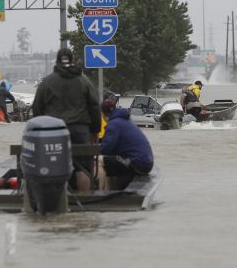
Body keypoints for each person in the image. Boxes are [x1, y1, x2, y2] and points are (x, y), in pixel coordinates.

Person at [32, 48, 101, 191]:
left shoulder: (47, 82)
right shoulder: (84, 81)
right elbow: (94, 107)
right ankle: (85, 200)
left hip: (53, 132)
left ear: (57, 61)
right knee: (83, 168)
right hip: (80, 131)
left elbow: (37, 107)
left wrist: (39, 131)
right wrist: (96, 131)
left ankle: (56, 199)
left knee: (52, 163)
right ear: (73, 61)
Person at [98, 101, 154, 190]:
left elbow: (105, 149)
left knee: (99, 160)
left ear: (102, 114)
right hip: (146, 162)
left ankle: (101, 192)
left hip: (138, 164)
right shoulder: (126, 121)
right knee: (109, 160)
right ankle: (109, 189)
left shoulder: (113, 124)